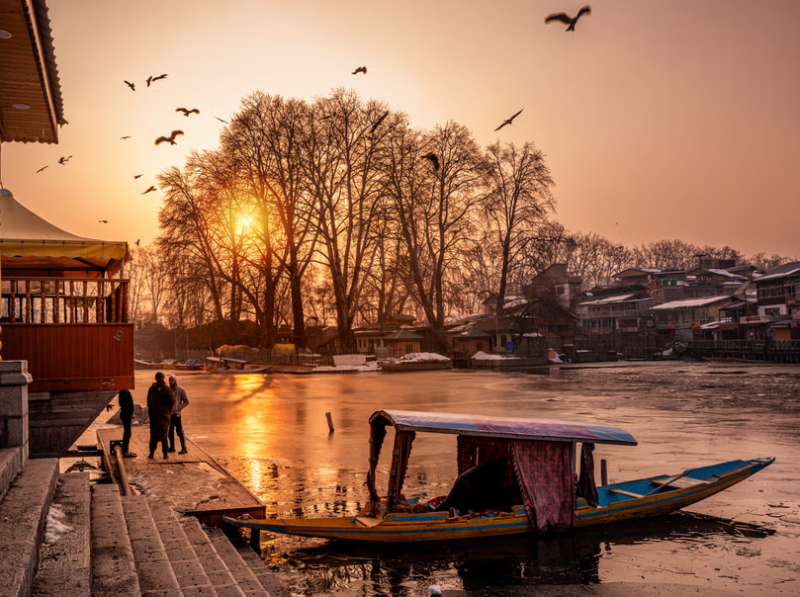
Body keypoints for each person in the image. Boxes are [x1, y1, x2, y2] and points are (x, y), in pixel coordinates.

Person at [146, 372, 175, 459]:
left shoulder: (151, 389)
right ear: (163, 378)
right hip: (164, 416)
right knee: (164, 435)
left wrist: (151, 413)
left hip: (154, 416)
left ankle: (151, 453)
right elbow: (172, 401)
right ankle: (165, 454)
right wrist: (168, 411)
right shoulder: (166, 389)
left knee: (153, 435)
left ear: (155, 378)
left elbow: (148, 403)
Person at [167, 374, 189, 454]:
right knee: (170, 432)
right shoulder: (167, 390)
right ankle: (172, 448)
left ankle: (184, 448)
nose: (170, 382)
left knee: (179, 432)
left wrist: (178, 407)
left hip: (177, 414)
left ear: (175, 381)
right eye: (169, 380)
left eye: (172, 380)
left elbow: (186, 401)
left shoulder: (180, 391)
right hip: (169, 414)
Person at [118, 389, 137, 458]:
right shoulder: (124, 391)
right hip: (126, 414)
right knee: (127, 432)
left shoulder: (124, 391)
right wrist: (130, 413)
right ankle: (125, 451)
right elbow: (126, 404)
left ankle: (125, 450)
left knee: (127, 432)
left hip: (125, 414)